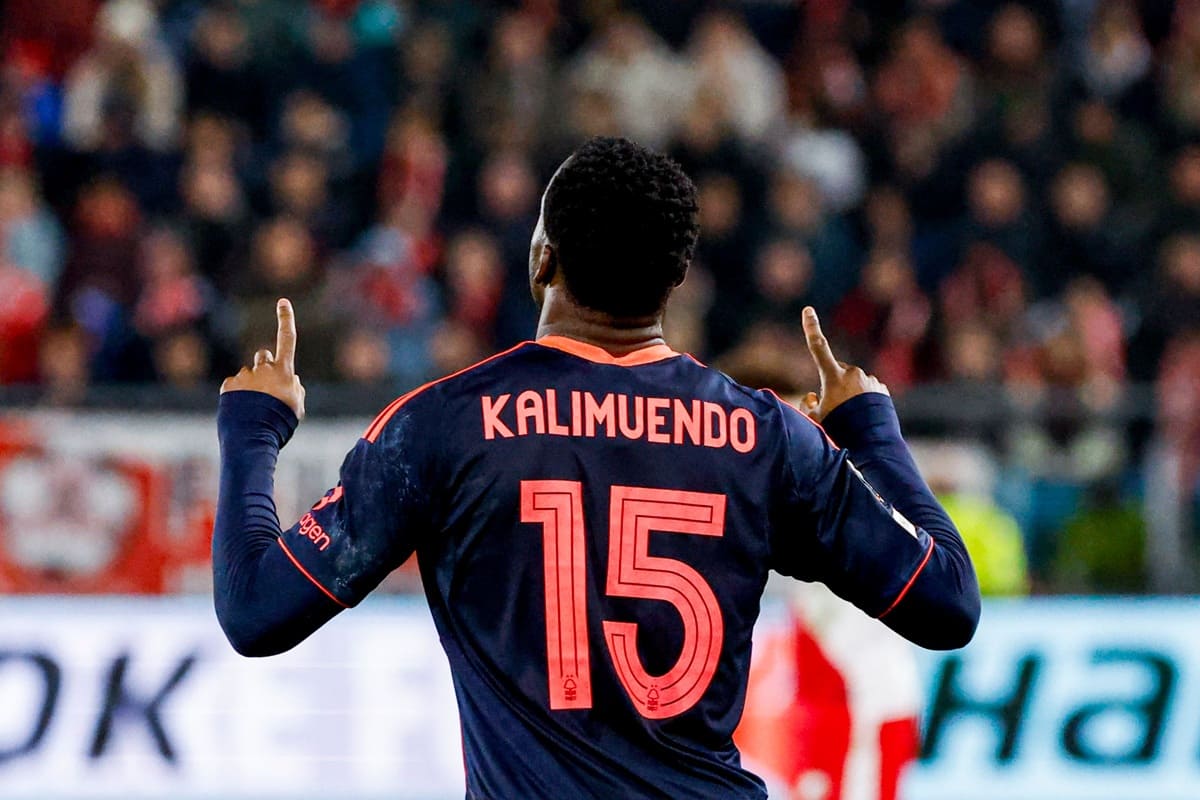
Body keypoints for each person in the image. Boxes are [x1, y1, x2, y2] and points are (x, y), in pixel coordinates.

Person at [212, 137, 979, 799]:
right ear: (677, 277)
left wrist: (254, 429)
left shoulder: (442, 425)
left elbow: (256, 611)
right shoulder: (770, 437)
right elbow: (947, 602)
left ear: (543, 256)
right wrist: (871, 434)